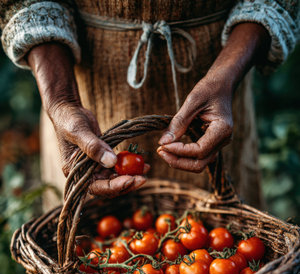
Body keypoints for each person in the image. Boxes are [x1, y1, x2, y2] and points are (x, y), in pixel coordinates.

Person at [1, 1, 299, 209]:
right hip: (80, 86)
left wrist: (226, 75)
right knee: (84, 253)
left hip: (222, 73)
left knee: (230, 236)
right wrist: (61, 100)